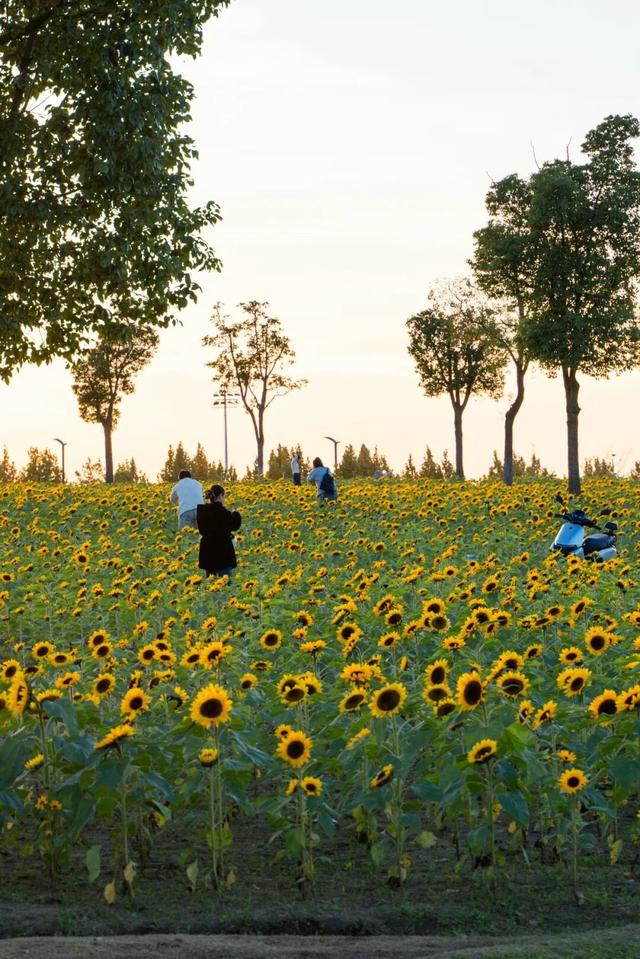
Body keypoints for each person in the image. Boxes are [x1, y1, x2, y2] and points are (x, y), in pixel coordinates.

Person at [197, 484, 242, 579]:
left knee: (210, 581)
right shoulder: (222, 511)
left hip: (208, 549)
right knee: (226, 582)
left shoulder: (202, 511)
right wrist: (237, 514)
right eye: (224, 496)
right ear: (221, 495)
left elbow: (202, 530)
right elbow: (234, 525)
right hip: (222, 550)